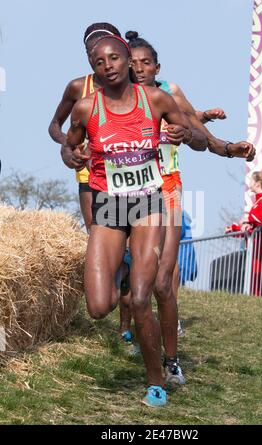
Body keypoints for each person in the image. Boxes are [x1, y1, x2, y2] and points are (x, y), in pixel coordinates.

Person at [65, 31, 208, 407]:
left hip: (149, 204)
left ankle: (156, 382)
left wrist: (181, 132)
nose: (107, 66)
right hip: (110, 206)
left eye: (113, 58)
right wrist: (73, 157)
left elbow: (192, 134)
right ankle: (122, 271)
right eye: (99, 62)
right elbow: (69, 144)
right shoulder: (86, 107)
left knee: (143, 298)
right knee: (98, 307)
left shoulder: (157, 98)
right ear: (92, 70)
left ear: (127, 59)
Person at [118, 31, 255, 384]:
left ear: (157, 66)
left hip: (169, 190)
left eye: (146, 63)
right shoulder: (114, 101)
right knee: (138, 285)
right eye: (133, 64)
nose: (140, 69)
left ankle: (173, 359)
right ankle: (136, 338)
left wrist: (226, 148)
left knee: (165, 283)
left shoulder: (170, 94)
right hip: (130, 195)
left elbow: (198, 135)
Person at [49, 23, 123, 231]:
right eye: (90, 52)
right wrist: (68, 146)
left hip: (129, 169)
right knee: (96, 232)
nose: (97, 56)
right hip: (89, 172)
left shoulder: (140, 87)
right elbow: (55, 125)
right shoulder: (78, 87)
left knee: (132, 244)